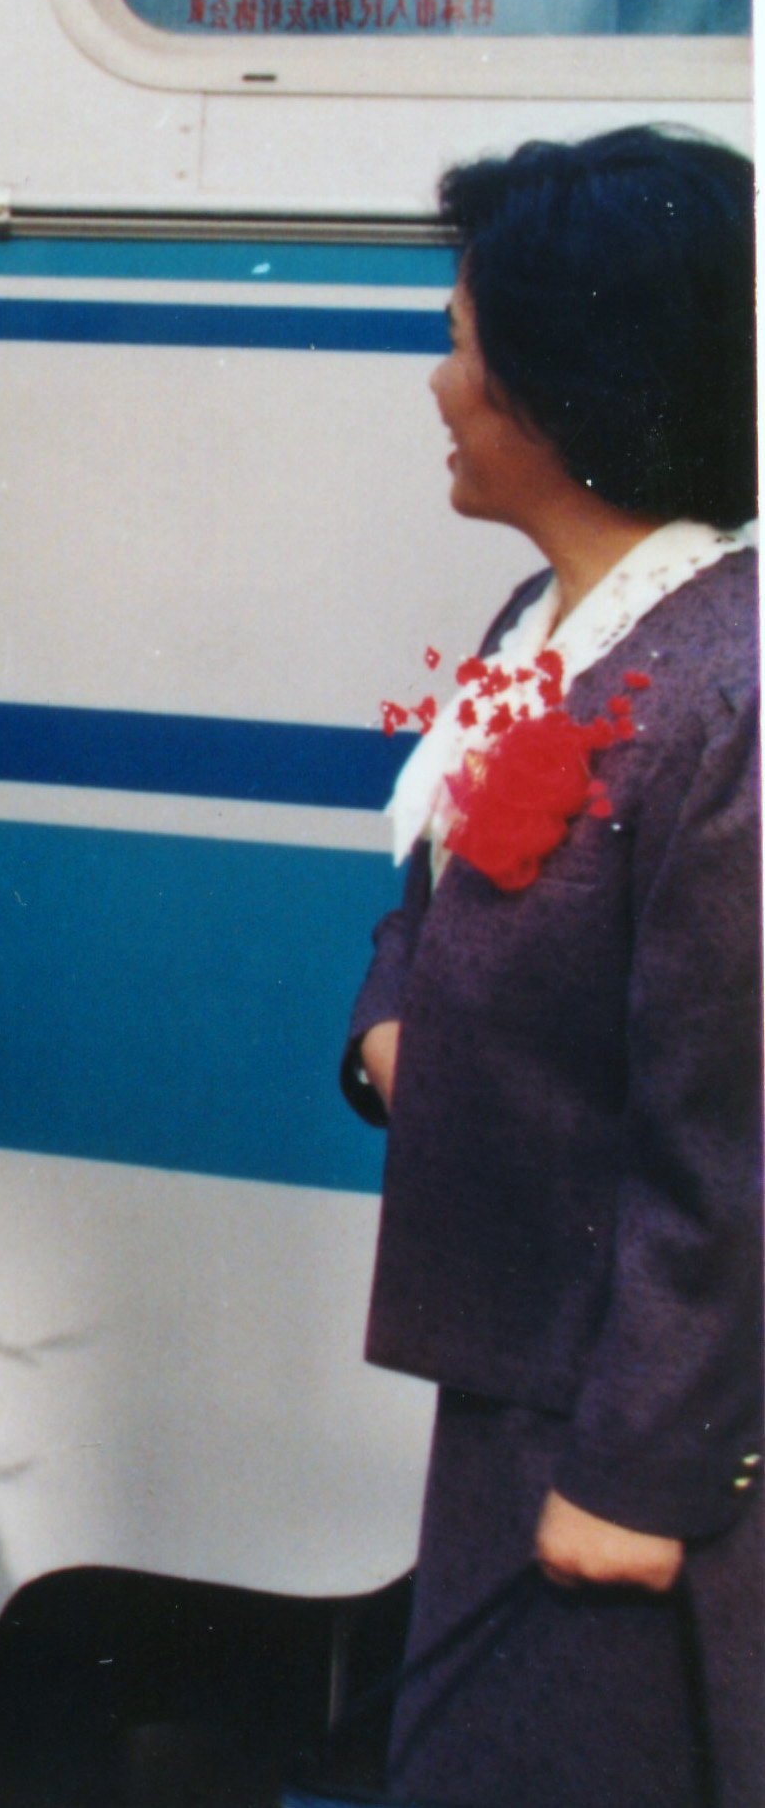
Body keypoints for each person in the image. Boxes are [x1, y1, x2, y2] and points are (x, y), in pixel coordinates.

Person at [342, 128, 759, 1808]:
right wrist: (385, 1020)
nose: (437, 382)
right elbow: (426, 882)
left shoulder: (722, 699)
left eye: (459, 339)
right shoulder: (558, 615)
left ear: (561, 392)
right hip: (522, 1382)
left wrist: (639, 1479)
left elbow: (731, 1155)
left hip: (616, 1444)